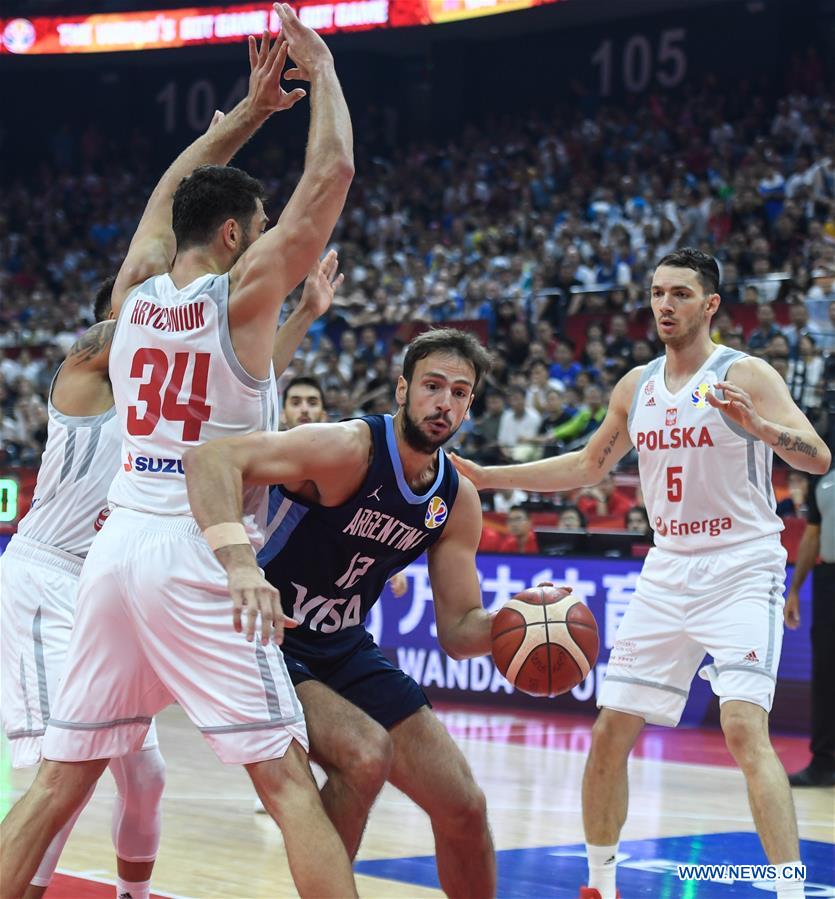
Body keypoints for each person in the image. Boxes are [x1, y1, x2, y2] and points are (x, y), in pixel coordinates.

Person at [1, 9, 358, 896]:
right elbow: (334, 174)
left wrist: (245, 115)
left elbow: (163, 200)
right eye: (259, 220)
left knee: (57, 781)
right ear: (237, 235)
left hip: (114, 553)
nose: (271, 227)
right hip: (195, 548)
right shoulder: (237, 303)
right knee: (286, 785)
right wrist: (321, 68)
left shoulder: (135, 292)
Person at [451, 247, 831, 899]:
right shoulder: (636, 385)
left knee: (743, 728)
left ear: (709, 305)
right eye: (656, 292)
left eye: (679, 293)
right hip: (665, 568)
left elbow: (818, 456)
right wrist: (489, 475)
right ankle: (599, 884)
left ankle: (789, 891)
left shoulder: (746, 373)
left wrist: (759, 426)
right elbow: (587, 465)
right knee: (608, 729)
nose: (663, 304)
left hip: (741, 563)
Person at [183, 328, 497, 897]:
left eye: (459, 391)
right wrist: (240, 567)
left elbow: (458, 630)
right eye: (432, 386)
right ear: (402, 390)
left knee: (464, 806)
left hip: (343, 645)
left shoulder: (456, 498)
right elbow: (210, 459)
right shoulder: (350, 449)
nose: (444, 402)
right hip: (270, 637)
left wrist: (514, 625)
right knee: (363, 753)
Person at [0, 278, 165, 899]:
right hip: (47, 578)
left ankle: (135, 895)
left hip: (108, 595)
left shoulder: (171, 411)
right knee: (61, 778)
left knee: (146, 774)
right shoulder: (86, 377)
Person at [784, 459, 835, 787]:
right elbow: (812, 534)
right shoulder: (825, 478)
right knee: (827, 672)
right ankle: (825, 762)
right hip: (829, 576)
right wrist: (795, 589)